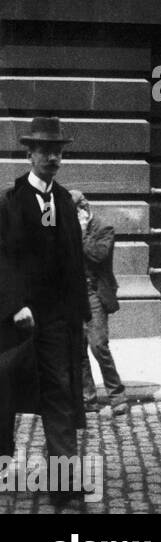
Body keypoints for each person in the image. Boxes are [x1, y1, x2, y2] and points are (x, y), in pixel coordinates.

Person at [0, 117, 93, 506]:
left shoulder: (65, 203)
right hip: (17, 322)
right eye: (45, 150)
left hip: (56, 322)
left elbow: (73, 263)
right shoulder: (10, 202)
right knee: (5, 398)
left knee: (59, 396)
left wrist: (80, 317)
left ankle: (64, 486)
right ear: (29, 154)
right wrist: (15, 304)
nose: (52, 157)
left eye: (58, 151)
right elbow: (2, 260)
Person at [70, 191, 127, 416]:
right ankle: (88, 400)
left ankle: (118, 396)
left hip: (94, 293)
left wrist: (80, 233)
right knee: (77, 349)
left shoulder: (104, 228)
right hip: (72, 295)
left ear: (83, 209)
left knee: (98, 345)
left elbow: (97, 255)